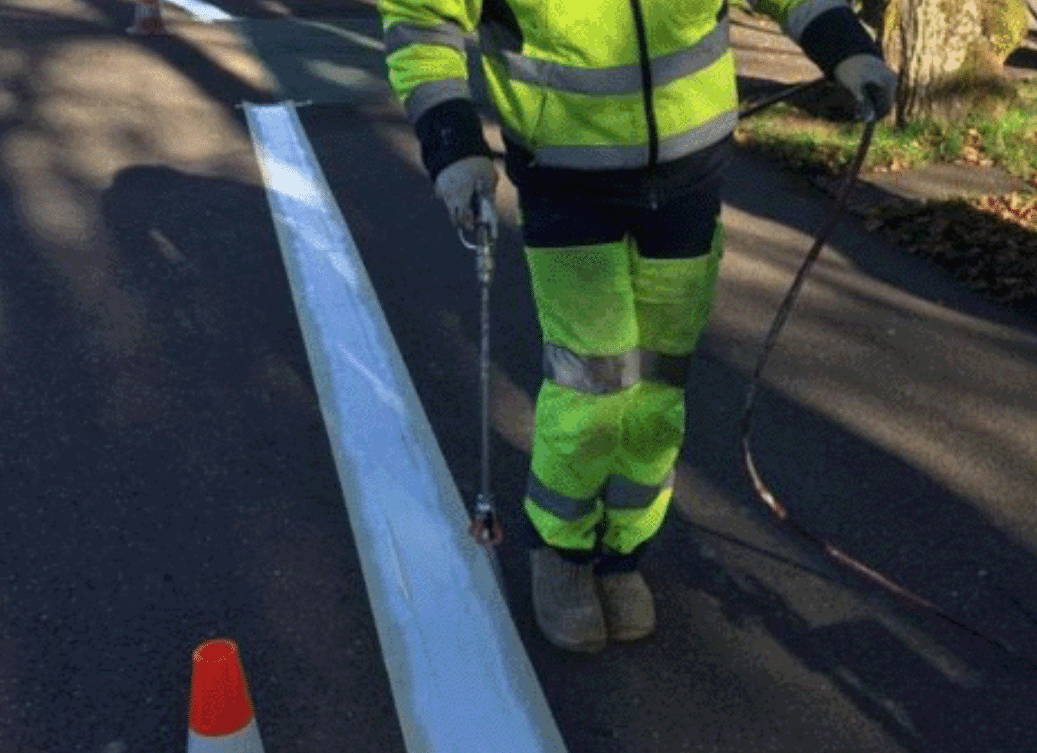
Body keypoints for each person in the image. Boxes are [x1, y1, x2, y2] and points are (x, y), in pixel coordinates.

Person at [378, 0, 897, 652]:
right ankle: (563, 553)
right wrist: (451, 143)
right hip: (565, 178)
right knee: (592, 384)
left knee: (658, 380)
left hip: (691, 173)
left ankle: (623, 553)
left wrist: (845, 47)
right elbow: (422, 18)